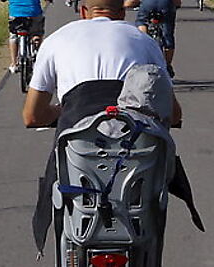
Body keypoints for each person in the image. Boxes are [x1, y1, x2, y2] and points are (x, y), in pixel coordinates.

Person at [24, 0, 185, 255]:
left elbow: (31, 116)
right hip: (135, 159)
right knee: (153, 206)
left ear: (83, 11)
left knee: (66, 207)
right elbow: (174, 113)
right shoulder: (143, 41)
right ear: (122, 13)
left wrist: (62, 111)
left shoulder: (57, 40)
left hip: (80, 161)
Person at [134, 0, 182, 74]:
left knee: (141, 21)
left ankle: (145, 41)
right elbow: (177, 2)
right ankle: (168, 65)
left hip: (148, 4)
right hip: (166, 4)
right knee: (168, 34)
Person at [1, 0, 45, 73]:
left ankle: (14, 63)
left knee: (13, 36)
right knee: (38, 33)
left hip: (16, 12)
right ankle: (36, 49)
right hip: (33, 12)